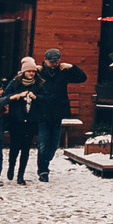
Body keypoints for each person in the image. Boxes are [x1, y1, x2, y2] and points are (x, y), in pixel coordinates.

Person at [31, 47, 87, 182]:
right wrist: (33, 69)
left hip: (57, 112)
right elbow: (21, 78)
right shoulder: (39, 72)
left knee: (54, 144)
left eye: (56, 61)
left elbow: (82, 78)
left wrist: (72, 67)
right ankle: (43, 170)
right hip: (42, 112)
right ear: (45, 60)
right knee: (43, 143)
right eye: (51, 62)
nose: (54, 64)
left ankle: (46, 162)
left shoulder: (63, 72)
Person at [4, 58, 41, 183]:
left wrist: (36, 97)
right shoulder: (15, 82)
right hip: (16, 120)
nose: (31, 73)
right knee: (14, 147)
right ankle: (11, 167)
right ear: (24, 72)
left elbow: (46, 98)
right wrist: (17, 96)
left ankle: (21, 175)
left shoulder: (39, 83)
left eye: (33, 71)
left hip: (31, 121)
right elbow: (6, 95)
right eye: (29, 71)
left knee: (26, 149)